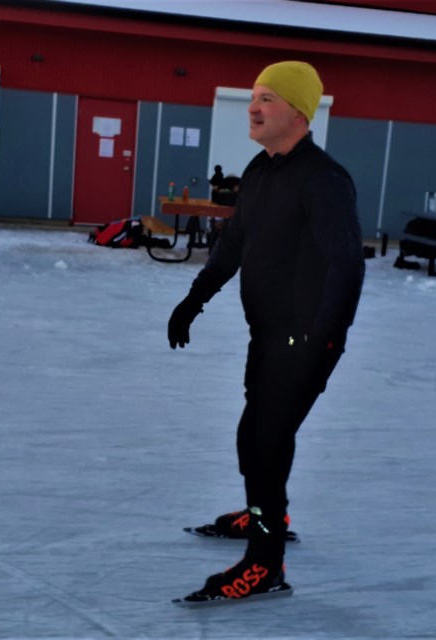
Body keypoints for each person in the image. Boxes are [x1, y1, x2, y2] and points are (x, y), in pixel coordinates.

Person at [167, 61, 365, 604]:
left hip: (305, 340)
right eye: (253, 97)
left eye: (268, 99)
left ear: (299, 113)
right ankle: (264, 516)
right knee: (254, 436)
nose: (253, 108)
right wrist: (193, 300)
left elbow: (347, 266)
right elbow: (232, 246)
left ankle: (265, 562)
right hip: (268, 335)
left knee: (265, 440)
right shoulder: (259, 172)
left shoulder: (323, 180)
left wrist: (323, 341)